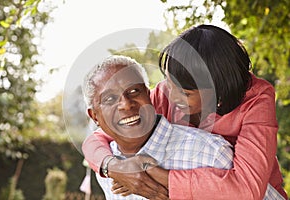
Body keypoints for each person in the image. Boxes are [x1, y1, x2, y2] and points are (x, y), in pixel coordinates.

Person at [82, 25, 288, 199]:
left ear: (217, 92)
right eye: (169, 84)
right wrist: (112, 166)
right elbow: (100, 137)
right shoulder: (167, 92)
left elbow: (247, 190)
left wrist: (150, 171)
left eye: (185, 94)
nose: (171, 97)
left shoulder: (256, 100)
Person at [83, 55, 233, 200]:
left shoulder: (211, 153)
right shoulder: (107, 170)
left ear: (149, 96)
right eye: (110, 99)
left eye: (134, 91)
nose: (126, 104)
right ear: (94, 116)